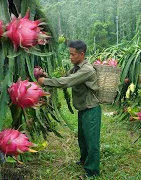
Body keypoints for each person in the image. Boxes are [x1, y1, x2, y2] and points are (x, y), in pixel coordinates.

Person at [38, 40, 101, 179]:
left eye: (72, 55)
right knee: (83, 139)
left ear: (82, 54)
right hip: (83, 108)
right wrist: (48, 77)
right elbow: (65, 77)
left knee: (92, 142)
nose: (70, 57)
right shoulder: (76, 68)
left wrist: (45, 82)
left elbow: (67, 82)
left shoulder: (87, 70)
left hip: (91, 109)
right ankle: (84, 160)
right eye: (69, 54)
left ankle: (92, 172)